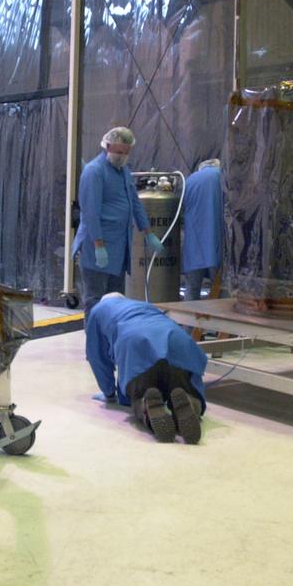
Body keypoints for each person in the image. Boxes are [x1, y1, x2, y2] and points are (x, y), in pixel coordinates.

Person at [84, 293, 207, 443]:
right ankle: (189, 402)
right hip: (176, 339)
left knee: (140, 392)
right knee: (182, 385)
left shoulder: (98, 310)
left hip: (136, 343)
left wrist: (109, 393)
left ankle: (146, 405)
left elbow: (97, 356)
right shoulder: (144, 305)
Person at [74, 127, 164, 312]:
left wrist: (148, 233)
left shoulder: (123, 172)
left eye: (125, 152)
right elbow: (90, 213)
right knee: (95, 300)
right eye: (117, 151)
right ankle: (94, 339)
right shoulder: (94, 172)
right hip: (97, 247)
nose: (121, 156)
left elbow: (135, 203)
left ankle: (111, 339)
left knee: (115, 301)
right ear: (107, 146)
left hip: (119, 247)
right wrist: (98, 244)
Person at [181, 158, 222, 301]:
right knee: (219, 289)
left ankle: (187, 322)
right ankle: (218, 321)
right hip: (218, 241)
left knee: (192, 288)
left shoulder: (190, 180)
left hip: (194, 243)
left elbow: (180, 209)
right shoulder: (223, 177)